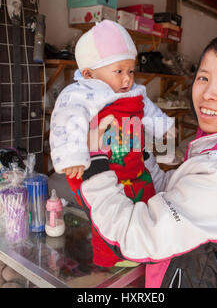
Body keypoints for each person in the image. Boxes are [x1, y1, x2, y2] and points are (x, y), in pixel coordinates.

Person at [77, 29, 217, 287]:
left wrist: (95, 163)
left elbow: (133, 237)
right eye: (203, 77)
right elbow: (177, 191)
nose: (207, 93)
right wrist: (139, 156)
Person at [49, 20, 174, 267]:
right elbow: (67, 120)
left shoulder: (134, 92)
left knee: (143, 203)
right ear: (89, 74)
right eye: (119, 71)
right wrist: (72, 156)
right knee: (106, 215)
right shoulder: (82, 93)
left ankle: (140, 250)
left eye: (131, 70)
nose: (127, 78)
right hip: (101, 166)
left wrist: (164, 127)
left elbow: (148, 111)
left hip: (132, 163)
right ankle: (110, 258)